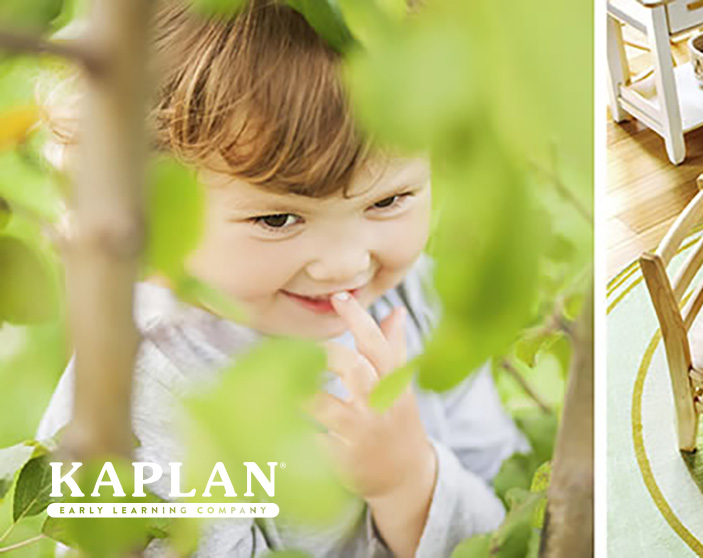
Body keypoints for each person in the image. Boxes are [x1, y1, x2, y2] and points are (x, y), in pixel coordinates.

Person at [34, 1, 528, 556]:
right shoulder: (142, 392)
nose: (345, 264)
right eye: (277, 218)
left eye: (389, 200)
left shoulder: (420, 297)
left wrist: (410, 480)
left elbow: (513, 513)